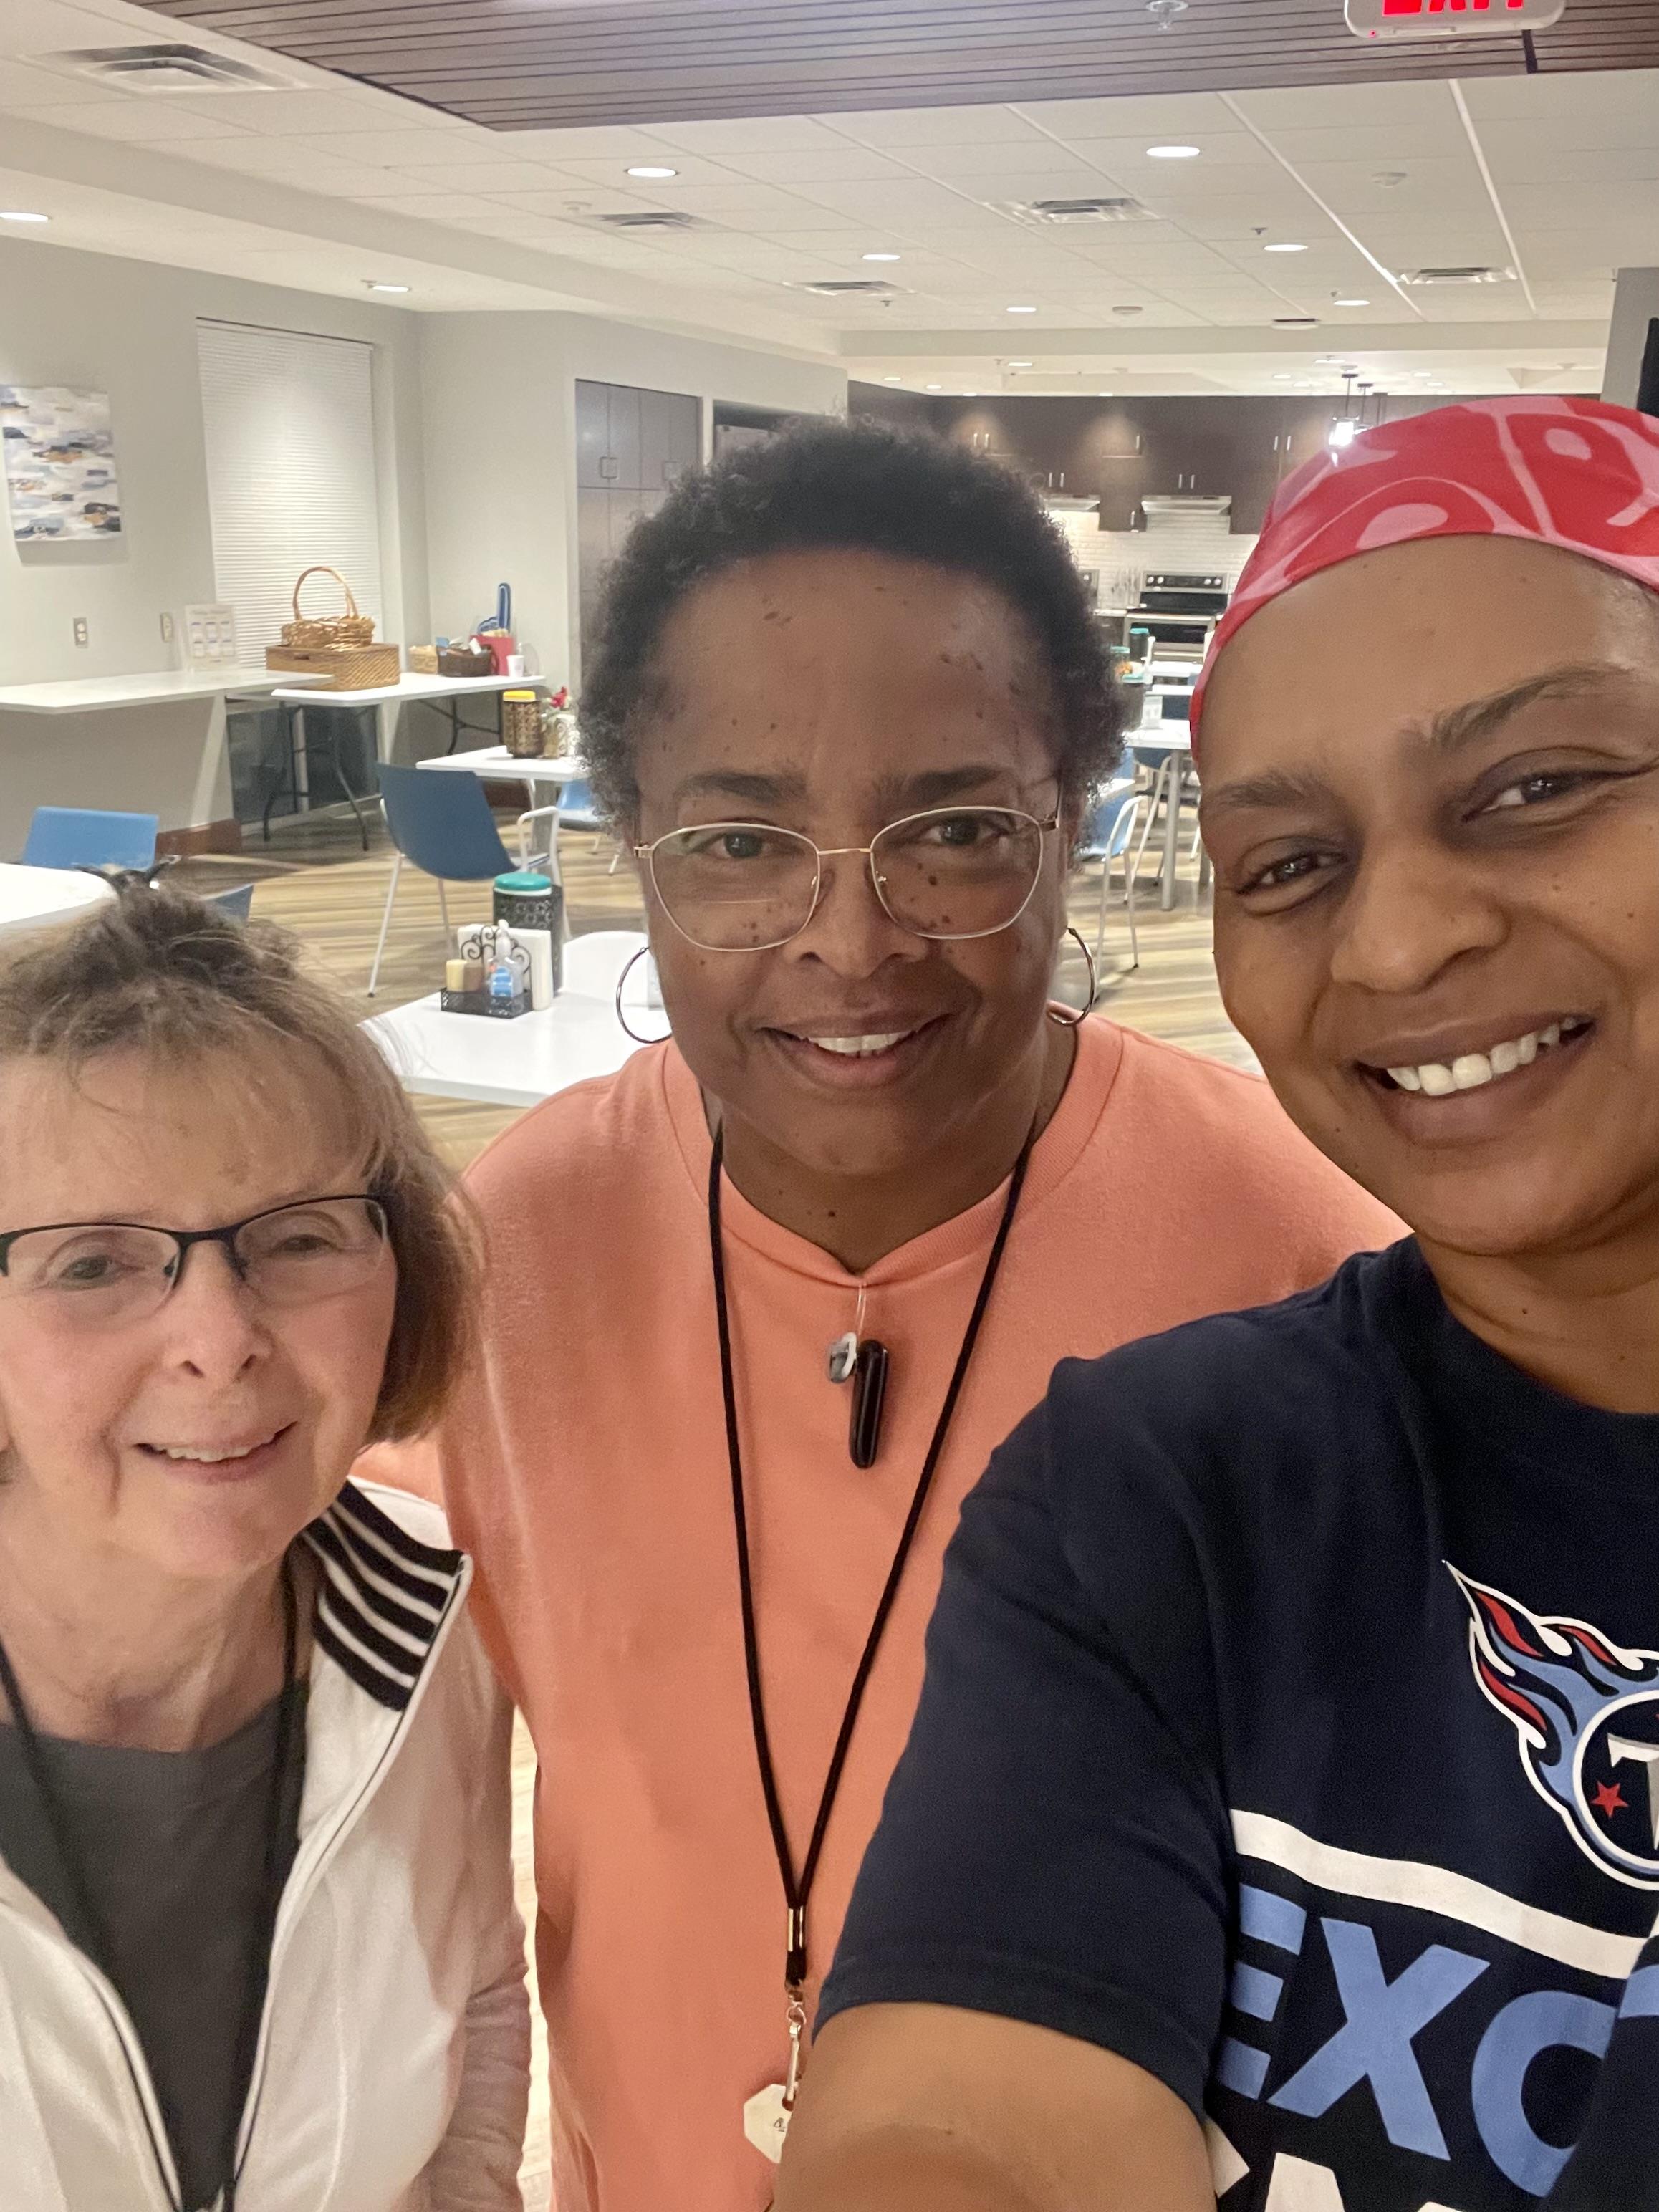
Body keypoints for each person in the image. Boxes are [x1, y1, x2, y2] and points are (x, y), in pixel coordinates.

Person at [369, 418, 1397, 2212]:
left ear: (1070, 821)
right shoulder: (511, 1251)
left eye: (955, 832)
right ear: (636, 849)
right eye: (745, 839)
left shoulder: (1298, 1257)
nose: (851, 937)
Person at [779, 395, 1659, 2212]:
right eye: (1287, 863)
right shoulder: (1165, 1488)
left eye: (1538, 788)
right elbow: (960, 2131)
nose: (1400, 942)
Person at [0, 885, 528, 2211]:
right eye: (94, 1264)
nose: (219, 1338)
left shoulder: (427, 1608)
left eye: (296, 1239)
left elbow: (474, 2000)